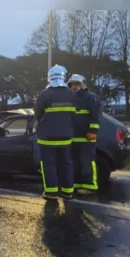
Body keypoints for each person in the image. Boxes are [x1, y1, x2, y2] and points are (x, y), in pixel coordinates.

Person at [34, 64, 77, 200]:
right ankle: (68, 192)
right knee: (67, 163)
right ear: (64, 77)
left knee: (49, 164)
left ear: (49, 78)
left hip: (47, 138)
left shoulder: (44, 95)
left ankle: (51, 193)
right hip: (66, 138)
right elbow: (75, 115)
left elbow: (37, 114)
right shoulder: (71, 95)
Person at [68, 74, 100, 196]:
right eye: (72, 85)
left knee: (87, 162)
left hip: (87, 138)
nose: (74, 87)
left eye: (76, 84)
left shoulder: (91, 97)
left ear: (83, 84)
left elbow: (95, 116)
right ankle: (76, 185)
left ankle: (90, 187)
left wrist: (93, 131)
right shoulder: (70, 98)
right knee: (74, 163)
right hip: (73, 138)